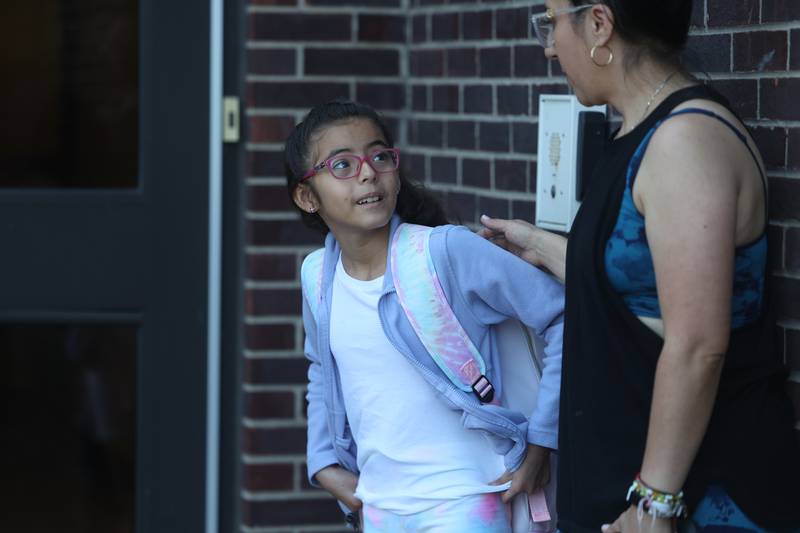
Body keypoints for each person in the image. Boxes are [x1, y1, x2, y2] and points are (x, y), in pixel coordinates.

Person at [479, 1, 800, 532]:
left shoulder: (685, 141)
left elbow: (698, 344)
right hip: (624, 490)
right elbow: (641, 278)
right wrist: (537, 246)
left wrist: (656, 500)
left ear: (600, 25)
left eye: (553, 22)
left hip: (696, 498)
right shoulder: (644, 128)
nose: (549, 45)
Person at [285, 99, 565, 532]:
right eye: (342, 164)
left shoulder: (444, 251)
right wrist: (322, 459)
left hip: (467, 502)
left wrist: (542, 442)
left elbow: (563, 316)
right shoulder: (317, 277)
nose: (367, 171)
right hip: (379, 508)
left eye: (380, 156)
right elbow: (323, 367)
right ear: (307, 196)